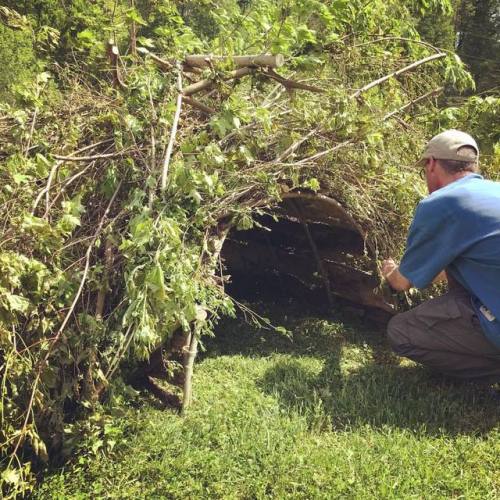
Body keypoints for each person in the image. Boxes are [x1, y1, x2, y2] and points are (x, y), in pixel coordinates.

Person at [382, 129, 500, 383]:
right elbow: (475, 265)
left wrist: (391, 271)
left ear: (432, 164)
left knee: (401, 331)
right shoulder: (494, 193)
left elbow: (401, 283)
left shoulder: (442, 203)